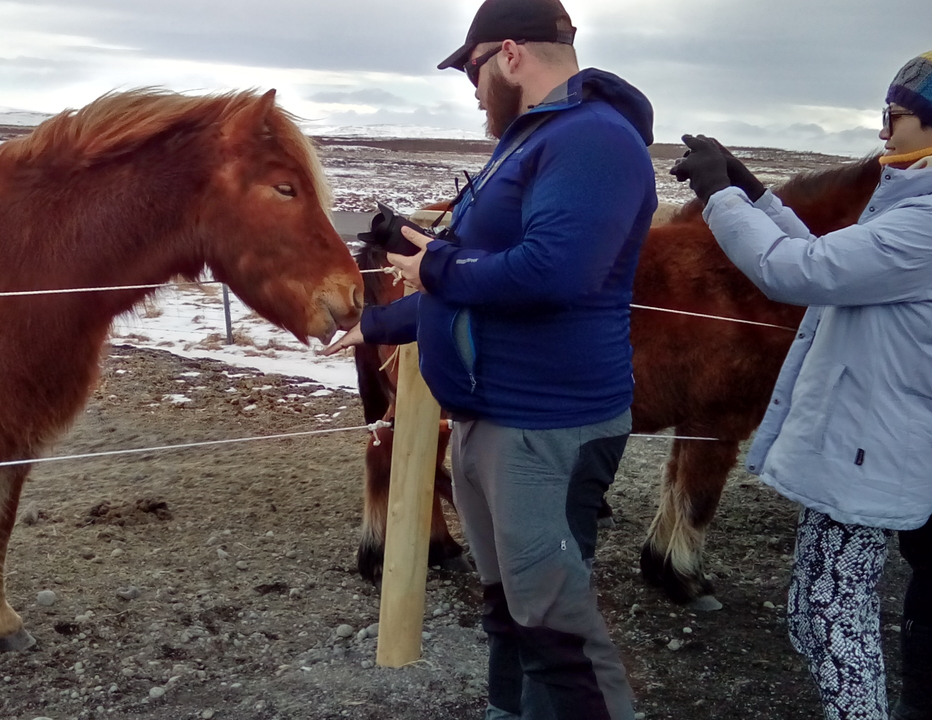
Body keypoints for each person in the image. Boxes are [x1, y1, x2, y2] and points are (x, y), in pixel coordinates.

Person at [322, 1, 656, 717]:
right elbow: (474, 280)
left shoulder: (593, 140)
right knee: (510, 610)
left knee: (557, 628)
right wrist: (380, 322)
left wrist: (435, 266)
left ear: (509, 54)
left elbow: (552, 273)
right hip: (493, 418)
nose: (471, 90)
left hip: (545, 426)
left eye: (472, 71)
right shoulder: (530, 141)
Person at [669, 51, 932, 720]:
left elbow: (799, 272)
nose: (882, 133)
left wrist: (721, 198)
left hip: (873, 443)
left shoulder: (925, 222)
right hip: (859, 441)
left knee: (838, 613)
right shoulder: (910, 208)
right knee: (813, 607)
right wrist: (753, 193)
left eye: (894, 116)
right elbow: (828, 261)